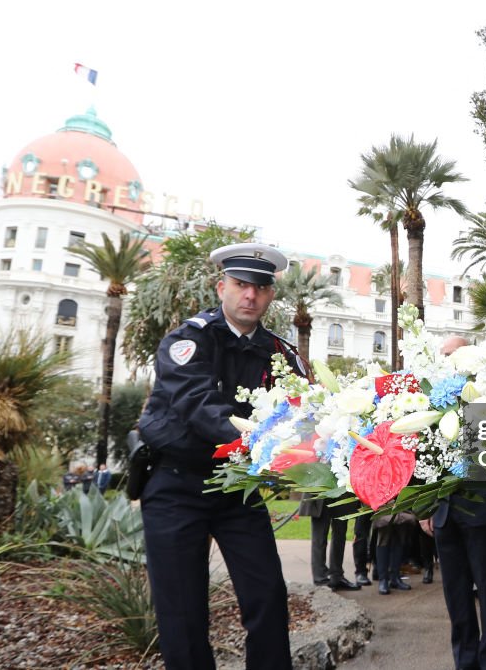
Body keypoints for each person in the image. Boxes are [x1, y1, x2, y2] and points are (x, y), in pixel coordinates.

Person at [137, 242, 308, 670]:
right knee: (182, 612)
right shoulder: (187, 340)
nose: (249, 295)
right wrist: (257, 439)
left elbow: (306, 407)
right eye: (239, 284)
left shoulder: (281, 354)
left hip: (235, 488)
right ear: (221, 287)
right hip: (176, 484)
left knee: (267, 596)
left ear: (270, 295)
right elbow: (196, 404)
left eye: (259, 287)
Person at [419, 334, 486, 670]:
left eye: (454, 353)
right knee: (456, 597)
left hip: (482, 511)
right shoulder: (430, 398)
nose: (448, 359)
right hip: (444, 514)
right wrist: (424, 509)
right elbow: (422, 458)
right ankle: (465, 661)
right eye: (444, 354)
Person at [300, 494, 361, 591]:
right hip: (320, 488)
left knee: (340, 533)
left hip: (342, 489)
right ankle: (320, 579)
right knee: (319, 536)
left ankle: (337, 576)